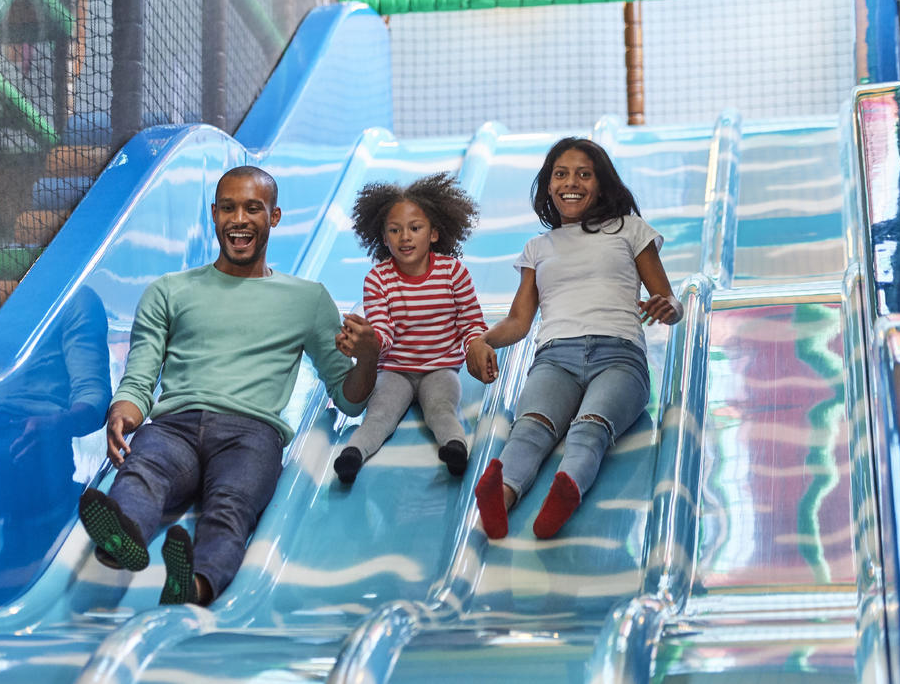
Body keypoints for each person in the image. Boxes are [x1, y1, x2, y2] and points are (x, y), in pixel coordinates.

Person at [78, 165, 379, 606]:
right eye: (228, 208)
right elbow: (140, 373)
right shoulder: (169, 291)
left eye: (253, 208)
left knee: (231, 506)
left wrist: (369, 355)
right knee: (142, 473)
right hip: (174, 427)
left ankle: (194, 584)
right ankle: (123, 539)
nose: (239, 219)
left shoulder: (308, 299)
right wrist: (124, 408)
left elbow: (348, 399)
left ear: (274, 217)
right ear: (214, 214)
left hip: (250, 434)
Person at [467, 138, 682, 540]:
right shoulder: (538, 248)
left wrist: (670, 307)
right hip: (555, 358)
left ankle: (565, 492)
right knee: (529, 427)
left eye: (584, 174)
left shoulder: (629, 230)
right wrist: (482, 340)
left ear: (601, 185)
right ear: (548, 186)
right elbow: (518, 320)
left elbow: (667, 297)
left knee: (590, 428)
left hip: (620, 358)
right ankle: (502, 496)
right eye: (561, 174)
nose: (572, 183)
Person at [333, 172, 487, 483]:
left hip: (440, 368)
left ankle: (455, 447)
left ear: (433, 234)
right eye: (395, 230)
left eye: (415, 228)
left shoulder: (453, 273)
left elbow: (471, 321)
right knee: (379, 415)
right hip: (395, 370)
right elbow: (382, 329)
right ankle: (352, 454)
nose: (405, 237)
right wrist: (369, 342)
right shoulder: (379, 279)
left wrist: (475, 346)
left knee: (442, 409)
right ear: (384, 237)